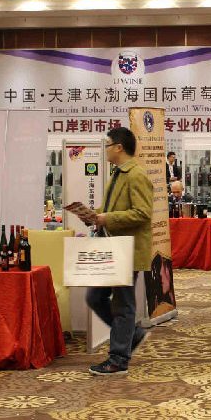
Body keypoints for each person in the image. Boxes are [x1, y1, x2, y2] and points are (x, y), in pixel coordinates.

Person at [84, 127, 153, 375]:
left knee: (123, 305)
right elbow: (112, 208)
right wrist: (94, 216)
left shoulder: (136, 175)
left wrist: (107, 218)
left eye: (108, 145)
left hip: (127, 250)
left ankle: (118, 359)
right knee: (94, 297)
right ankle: (131, 334)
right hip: (113, 248)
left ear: (119, 147)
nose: (106, 150)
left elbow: (143, 213)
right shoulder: (117, 174)